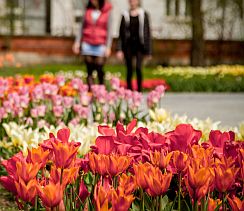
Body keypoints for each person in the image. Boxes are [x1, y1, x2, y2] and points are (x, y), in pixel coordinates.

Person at [73, 0, 113, 90]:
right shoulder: (87, 11)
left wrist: (108, 46)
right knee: (89, 69)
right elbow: (81, 28)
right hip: (87, 43)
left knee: (99, 67)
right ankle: (90, 91)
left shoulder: (107, 12)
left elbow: (110, 30)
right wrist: (77, 42)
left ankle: (101, 89)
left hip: (100, 44)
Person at [116, 0, 152, 92]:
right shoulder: (125, 15)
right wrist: (119, 49)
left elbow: (147, 33)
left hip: (140, 45)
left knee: (139, 68)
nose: (132, 2)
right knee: (129, 69)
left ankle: (139, 90)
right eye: (131, 0)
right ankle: (129, 90)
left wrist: (149, 51)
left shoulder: (143, 14)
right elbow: (121, 34)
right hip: (128, 45)